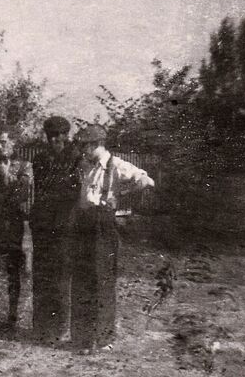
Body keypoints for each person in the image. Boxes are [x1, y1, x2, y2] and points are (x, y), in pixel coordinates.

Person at [69, 124, 155, 354]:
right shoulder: (83, 165)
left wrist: (122, 195)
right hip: (83, 225)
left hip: (104, 228)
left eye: (85, 145)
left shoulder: (115, 165)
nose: (82, 150)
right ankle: (82, 338)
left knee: (102, 282)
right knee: (82, 281)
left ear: (97, 144)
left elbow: (147, 181)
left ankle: (104, 338)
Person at [30, 115, 81, 345]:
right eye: (50, 137)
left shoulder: (75, 159)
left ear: (65, 135)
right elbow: (40, 191)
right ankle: (41, 327)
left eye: (58, 136)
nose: (53, 141)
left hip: (64, 227)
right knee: (42, 277)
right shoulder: (39, 159)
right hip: (43, 225)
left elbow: (72, 193)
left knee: (60, 278)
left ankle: (60, 328)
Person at [0, 131, 33, 329]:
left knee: (13, 267)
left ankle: (12, 313)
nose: (0, 146)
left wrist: (3, 179)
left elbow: (23, 192)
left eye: (4, 142)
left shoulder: (25, 165)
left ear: (14, 144)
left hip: (12, 223)